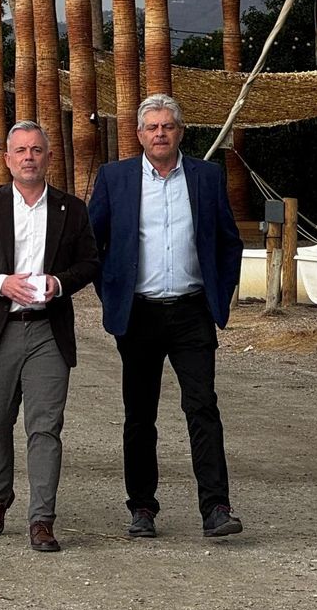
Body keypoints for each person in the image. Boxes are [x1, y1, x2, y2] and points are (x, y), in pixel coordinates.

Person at [87, 93, 246, 539]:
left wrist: (221, 293)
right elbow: (92, 243)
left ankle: (215, 507)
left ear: (180, 131)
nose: (160, 133)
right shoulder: (115, 178)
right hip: (137, 315)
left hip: (192, 311)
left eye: (167, 126)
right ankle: (142, 508)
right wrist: (112, 293)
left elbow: (228, 242)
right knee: (140, 415)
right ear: (139, 134)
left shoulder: (207, 176)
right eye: (152, 127)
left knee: (203, 408)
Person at [0, 120, 100, 553]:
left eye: (37, 150)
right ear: (7, 158)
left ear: (49, 158)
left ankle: (42, 520)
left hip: (47, 334)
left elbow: (90, 263)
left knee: (45, 428)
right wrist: (0, 283)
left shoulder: (72, 210)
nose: (29, 157)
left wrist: (60, 283)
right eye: (21, 151)